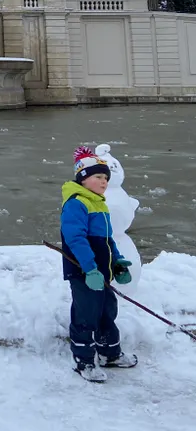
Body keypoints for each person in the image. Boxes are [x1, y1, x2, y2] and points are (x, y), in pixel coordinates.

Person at [60, 146, 138, 382]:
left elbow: (106, 239)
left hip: (102, 273)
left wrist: (117, 262)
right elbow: (75, 239)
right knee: (86, 315)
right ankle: (83, 360)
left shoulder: (99, 204)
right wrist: (89, 268)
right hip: (84, 272)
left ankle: (110, 353)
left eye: (106, 178)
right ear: (83, 178)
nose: (104, 182)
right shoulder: (76, 204)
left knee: (107, 311)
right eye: (98, 177)